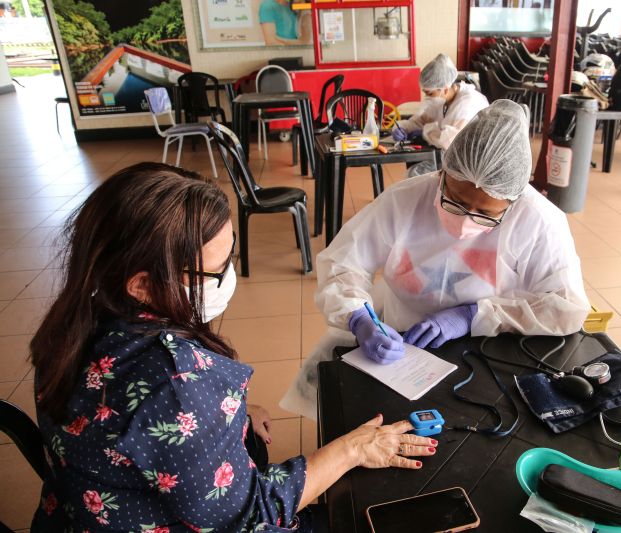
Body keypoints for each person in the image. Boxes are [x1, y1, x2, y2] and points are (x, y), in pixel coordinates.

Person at [29, 163, 437, 531]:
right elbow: (249, 515)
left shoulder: (74, 323)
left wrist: (227, 415)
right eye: (214, 270)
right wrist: (352, 448)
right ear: (141, 285)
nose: (228, 277)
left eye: (231, 255)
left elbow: (146, 429)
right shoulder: (178, 386)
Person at [281, 100, 590, 420]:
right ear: (443, 173)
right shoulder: (405, 201)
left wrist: (475, 314)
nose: (465, 221)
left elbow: (566, 307)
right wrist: (360, 319)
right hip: (402, 342)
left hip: (490, 347)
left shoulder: (539, 222)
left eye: (485, 214)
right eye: (454, 200)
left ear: (513, 199)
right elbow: (343, 263)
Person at [392, 53, 489, 152]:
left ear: (445, 89)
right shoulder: (442, 100)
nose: (427, 97)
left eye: (429, 93)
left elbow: (449, 141)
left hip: (471, 158)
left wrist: (425, 133)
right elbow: (419, 121)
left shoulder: (467, 102)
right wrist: (402, 128)